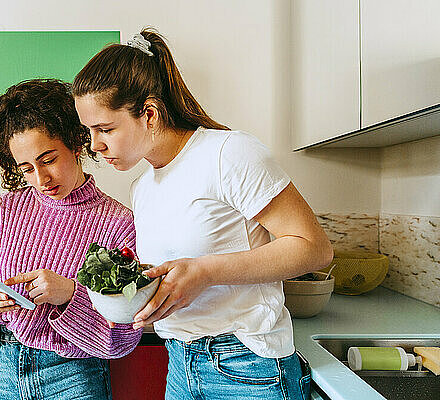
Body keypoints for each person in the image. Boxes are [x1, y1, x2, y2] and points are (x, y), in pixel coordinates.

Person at [72, 29, 334, 400]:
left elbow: (314, 248)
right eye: (89, 132)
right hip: (180, 362)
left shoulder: (229, 153)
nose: (96, 145)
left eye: (105, 129)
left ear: (149, 114)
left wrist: (205, 272)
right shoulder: (143, 187)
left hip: (248, 365)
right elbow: (178, 273)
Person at [0, 79, 141, 400]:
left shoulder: (116, 223)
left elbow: (123, 338)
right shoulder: (0, 212)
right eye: (27, 168)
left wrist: (70, 294)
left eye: (48, 159)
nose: (41, 179)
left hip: (72, 376)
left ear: (76, 142)